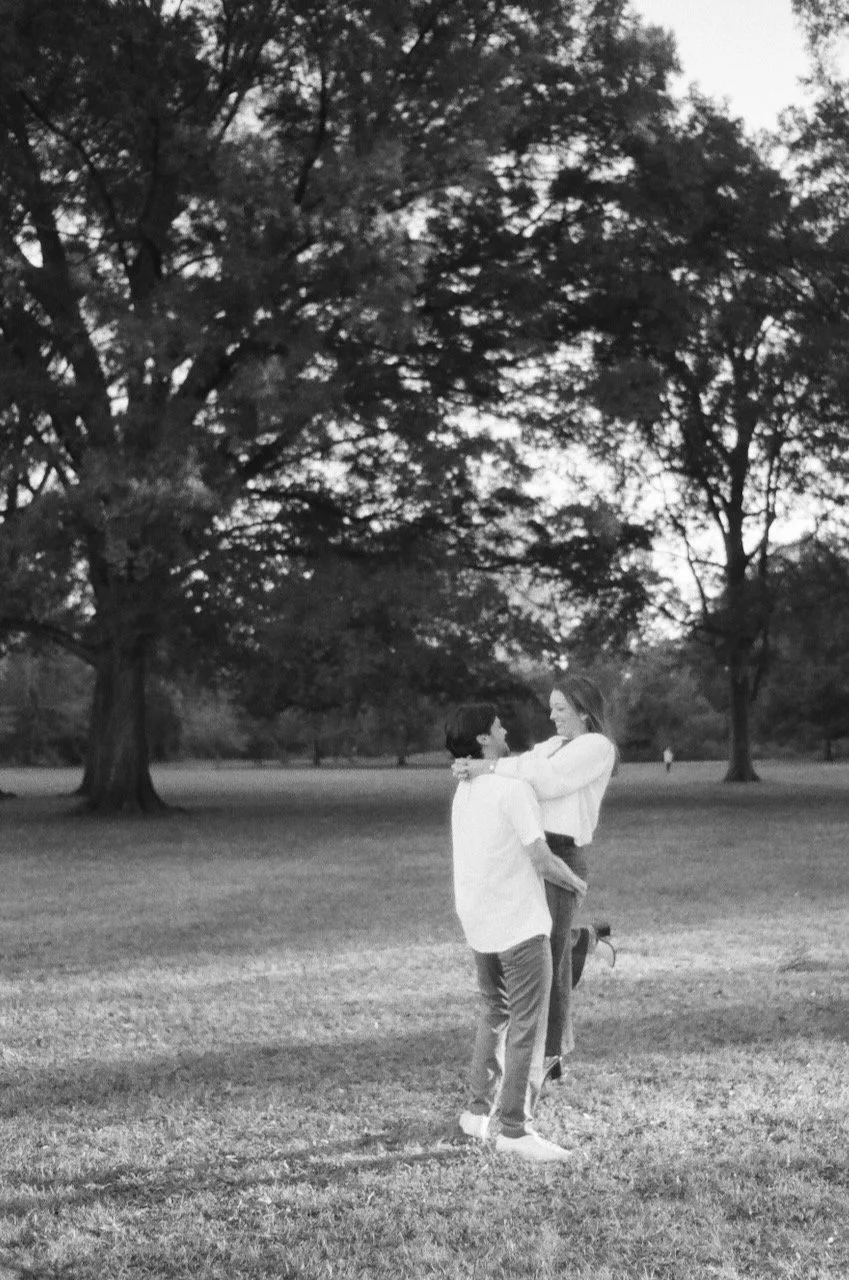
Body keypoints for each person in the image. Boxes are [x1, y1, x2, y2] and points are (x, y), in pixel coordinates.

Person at [452, 675, 617, 1083]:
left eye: (561, 708)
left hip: (561, 854)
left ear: (584, 711)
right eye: (552, 707)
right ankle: (584, 941)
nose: (553, 715)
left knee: (548, 959)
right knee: (535, 944)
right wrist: (483, 769)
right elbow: (525, 768)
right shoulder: (552, 746)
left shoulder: (597, 746)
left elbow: (545, 781)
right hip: (533, 852)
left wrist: (487, 766)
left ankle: (548, 1056)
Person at [446, 703, 588, 1163]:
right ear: (483, 739)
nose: (505, 730)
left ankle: (476, 1113)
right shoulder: (512, 788)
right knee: (530, 1021)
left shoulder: (464, 789)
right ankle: (515, 1128)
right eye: (498, 726)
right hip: (517, 923)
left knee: (495, 1010)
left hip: (479, 920)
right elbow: (541, 859)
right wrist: (575, 882)